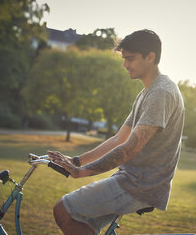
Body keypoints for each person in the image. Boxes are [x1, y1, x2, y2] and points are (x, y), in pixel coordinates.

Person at [49, 29, 185, 235]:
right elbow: (119, 138)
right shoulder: (147, 92)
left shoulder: (161, 93)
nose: (124, 65)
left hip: (140, 185)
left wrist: (82, 172)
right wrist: (77, 161)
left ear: (150, 57)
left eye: (130, 59)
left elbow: (131, 148)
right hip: (131, 179)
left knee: (64, 210)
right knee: (80, 223)